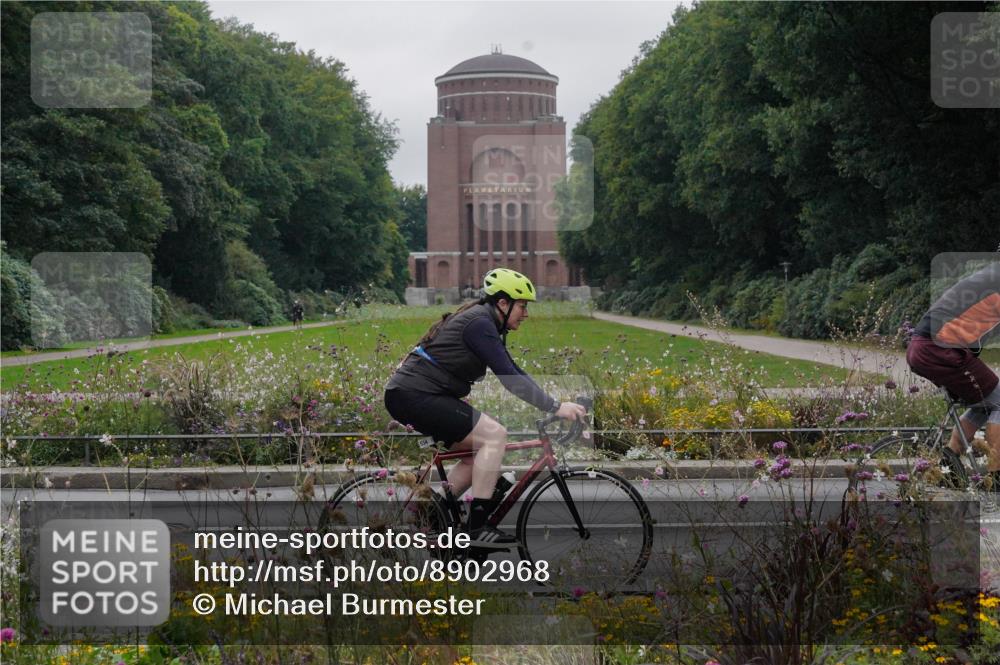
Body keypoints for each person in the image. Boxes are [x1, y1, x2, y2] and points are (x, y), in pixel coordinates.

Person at [384, 268, 587, 548]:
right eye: (522, 306)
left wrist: (551, 403)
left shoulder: (485, 322)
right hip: (415, 394)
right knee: (494, 436)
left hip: (415, 393)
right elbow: (509, 377)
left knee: (477, 453)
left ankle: (434, 515)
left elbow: (513, 369)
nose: (525, 314)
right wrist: (554, 406)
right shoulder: (479, 324)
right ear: (502, 303)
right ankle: (477, 529)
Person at [906, 261, 1000, 488]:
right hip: (939, 349)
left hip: (923, 347)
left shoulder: (988, 277)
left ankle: (949, 466)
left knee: (984, 401)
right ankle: (996, 477)